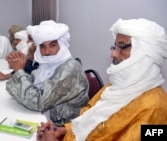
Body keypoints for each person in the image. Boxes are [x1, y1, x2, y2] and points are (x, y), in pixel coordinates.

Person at [36, 18, 167, 141]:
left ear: (143, 52)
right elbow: (88, 114)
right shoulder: (115, 86)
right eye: (114, 47)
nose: (113, 54)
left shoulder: (156, 107)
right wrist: (63, 129)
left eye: (122, 46)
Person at [6, 20, 89, 126]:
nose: (47, 52)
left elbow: (39, 102)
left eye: (52, 45)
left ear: (62, 45)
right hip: (46, 117)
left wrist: (19, 71)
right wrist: (18, 67)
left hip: (64, 128)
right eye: (42, 46)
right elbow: (26, 84)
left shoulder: (70, 69)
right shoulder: (47, 64)